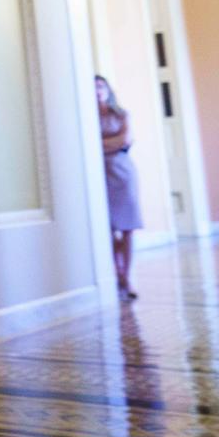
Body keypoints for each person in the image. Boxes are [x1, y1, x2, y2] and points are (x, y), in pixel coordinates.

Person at [96, 74, 142, 300]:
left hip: (123, 172)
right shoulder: (87, 116)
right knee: (108, 227)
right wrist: (109, 143)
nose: (98, 91)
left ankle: (127, 275)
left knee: (127, 227)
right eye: (93, 87)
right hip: (99, 173)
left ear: (108, 89)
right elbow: (89, 142)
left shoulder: (121, 115)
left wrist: (101, 143)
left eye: (101, 86)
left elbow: (125, 140)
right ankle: (117, 273)